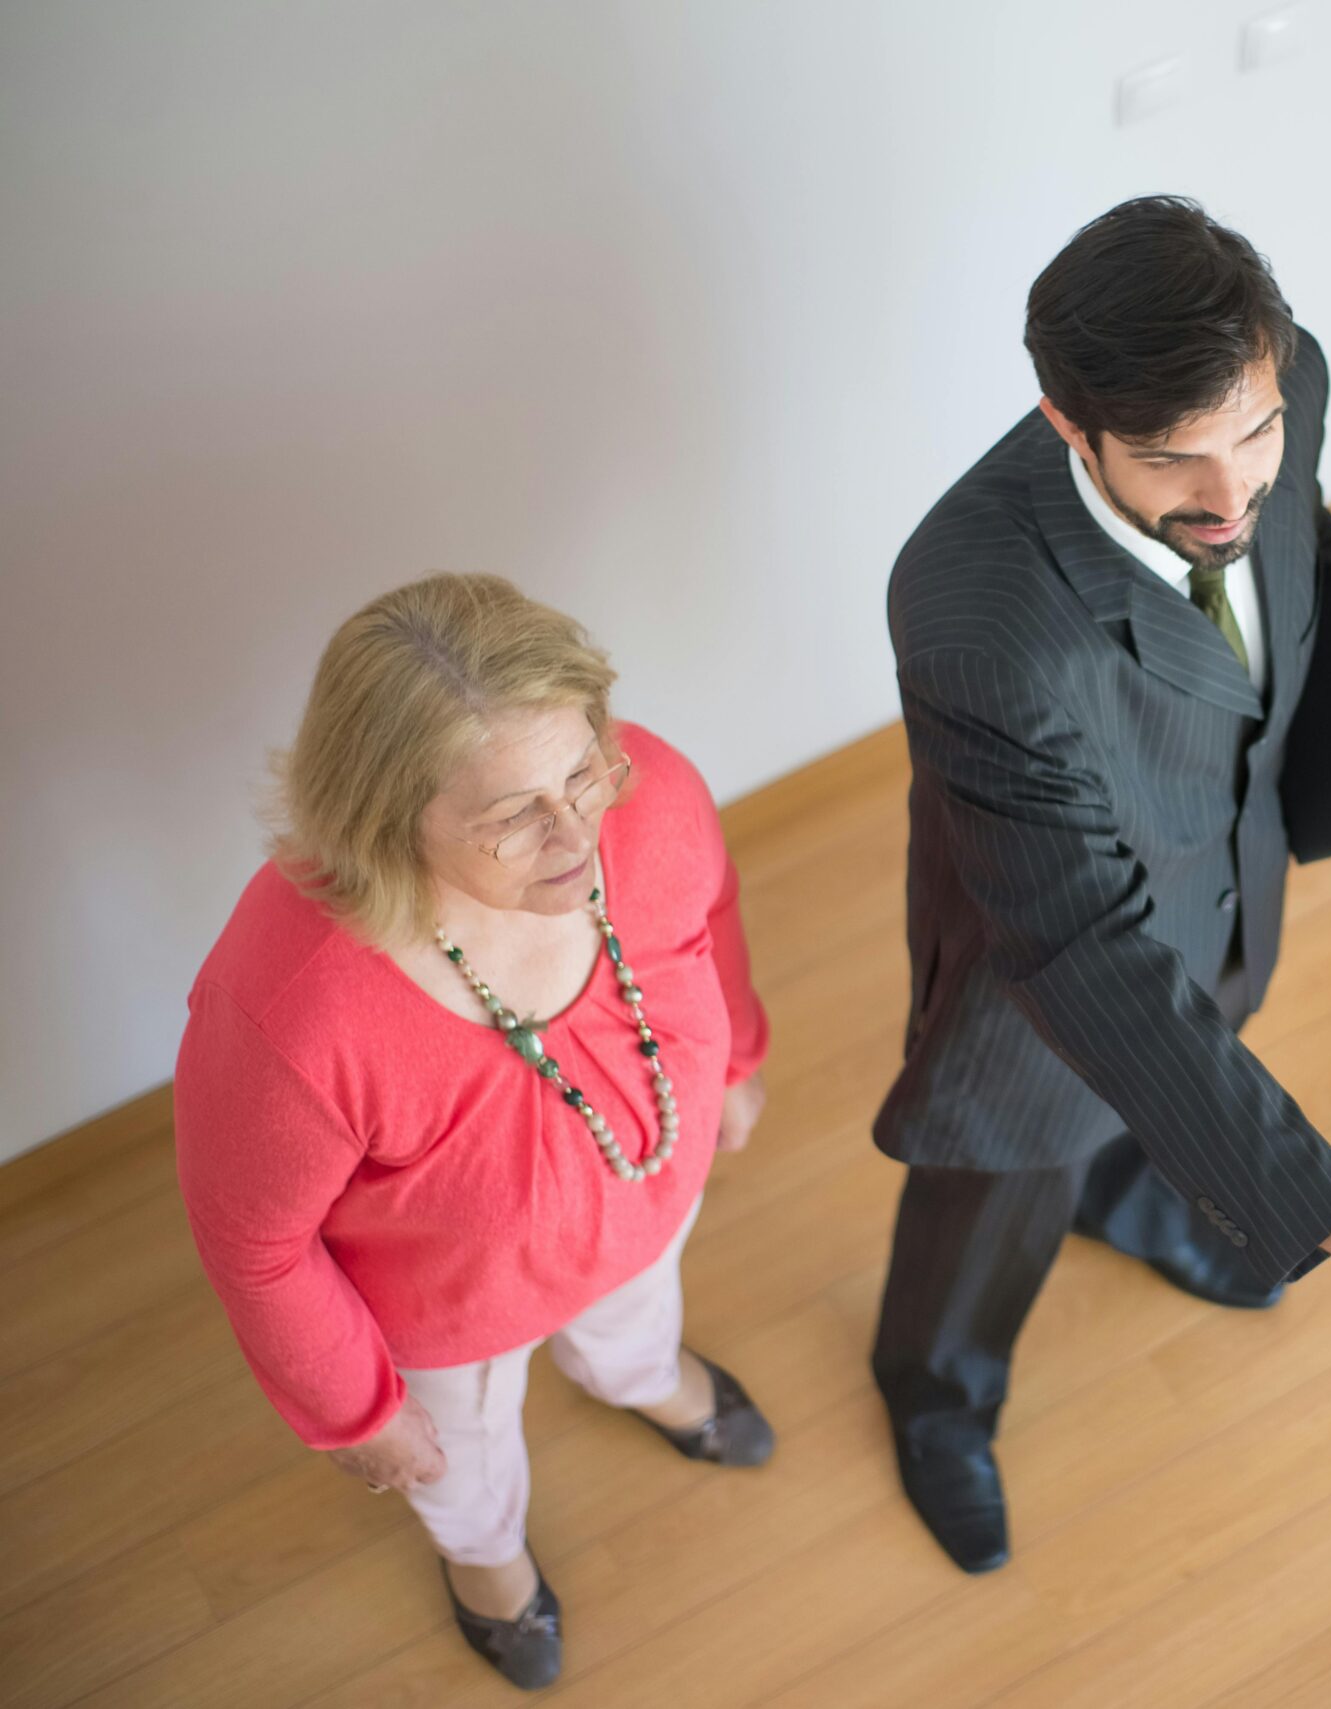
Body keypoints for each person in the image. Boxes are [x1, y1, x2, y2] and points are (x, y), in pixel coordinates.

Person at [872, 196, 1331, 1573]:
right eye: (1172, 462)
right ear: (1066, 424)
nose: (1229, 492)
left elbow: (1295, 547)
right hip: (1041, 975)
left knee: (1180, 1079)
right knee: (1001, 1186)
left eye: (1255, 435)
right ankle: (937, 1399)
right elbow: (1084, 953)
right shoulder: (974, 618)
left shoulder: (1291, 381)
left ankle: (1138, 1197)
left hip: (1233, 874)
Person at [174, 574, 777, 1690]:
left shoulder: (642, 788)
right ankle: (488, 1558)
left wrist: (733, 1052)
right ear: (383, 817)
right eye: (509, 813)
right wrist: (352, 1406)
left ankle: (638, 1372)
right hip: (446, 1309)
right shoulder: (290, 1008)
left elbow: (713, 903)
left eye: (581, 770)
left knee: (639, 1307)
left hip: (643, 1188)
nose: (576, 830)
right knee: (461, 1455)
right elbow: (254, 1244)